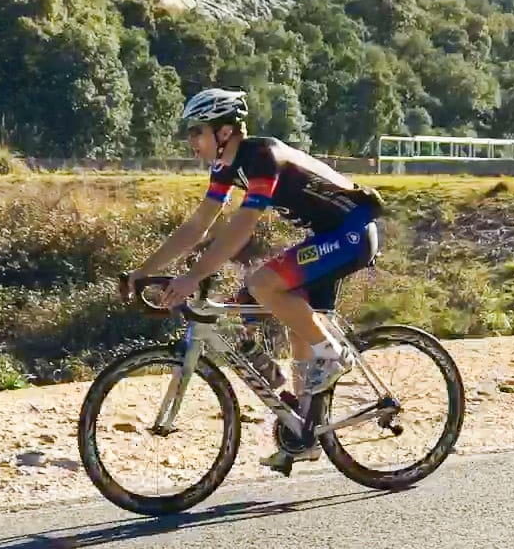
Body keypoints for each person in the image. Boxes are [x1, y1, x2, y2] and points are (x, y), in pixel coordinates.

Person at [119, 87, 386, 470]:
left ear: (224, 132)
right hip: (326, 236)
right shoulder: (226, 166)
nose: (191, 140)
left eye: (197, 131)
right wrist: (142, 271)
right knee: (293, 324)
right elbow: (198, 224)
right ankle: (307, 432)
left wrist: (193, 277)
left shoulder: (262, 158)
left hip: (352, 232)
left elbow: (242, 227)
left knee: (263, 284)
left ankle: (335, 356)